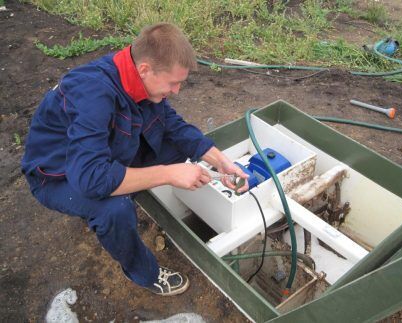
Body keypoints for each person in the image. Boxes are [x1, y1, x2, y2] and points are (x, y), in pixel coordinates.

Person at [22, 23, 248, 296]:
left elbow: (172, 125)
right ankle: (144, 272)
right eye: (173, 82)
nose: (176, 91)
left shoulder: (137, 76)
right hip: (59, 176)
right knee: (114, 209)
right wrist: (167, 174)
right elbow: (90, 179)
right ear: (145, 70)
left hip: (104, 153)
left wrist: (218, 160)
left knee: (175, 147)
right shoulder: (94, 93)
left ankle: (126, 184)